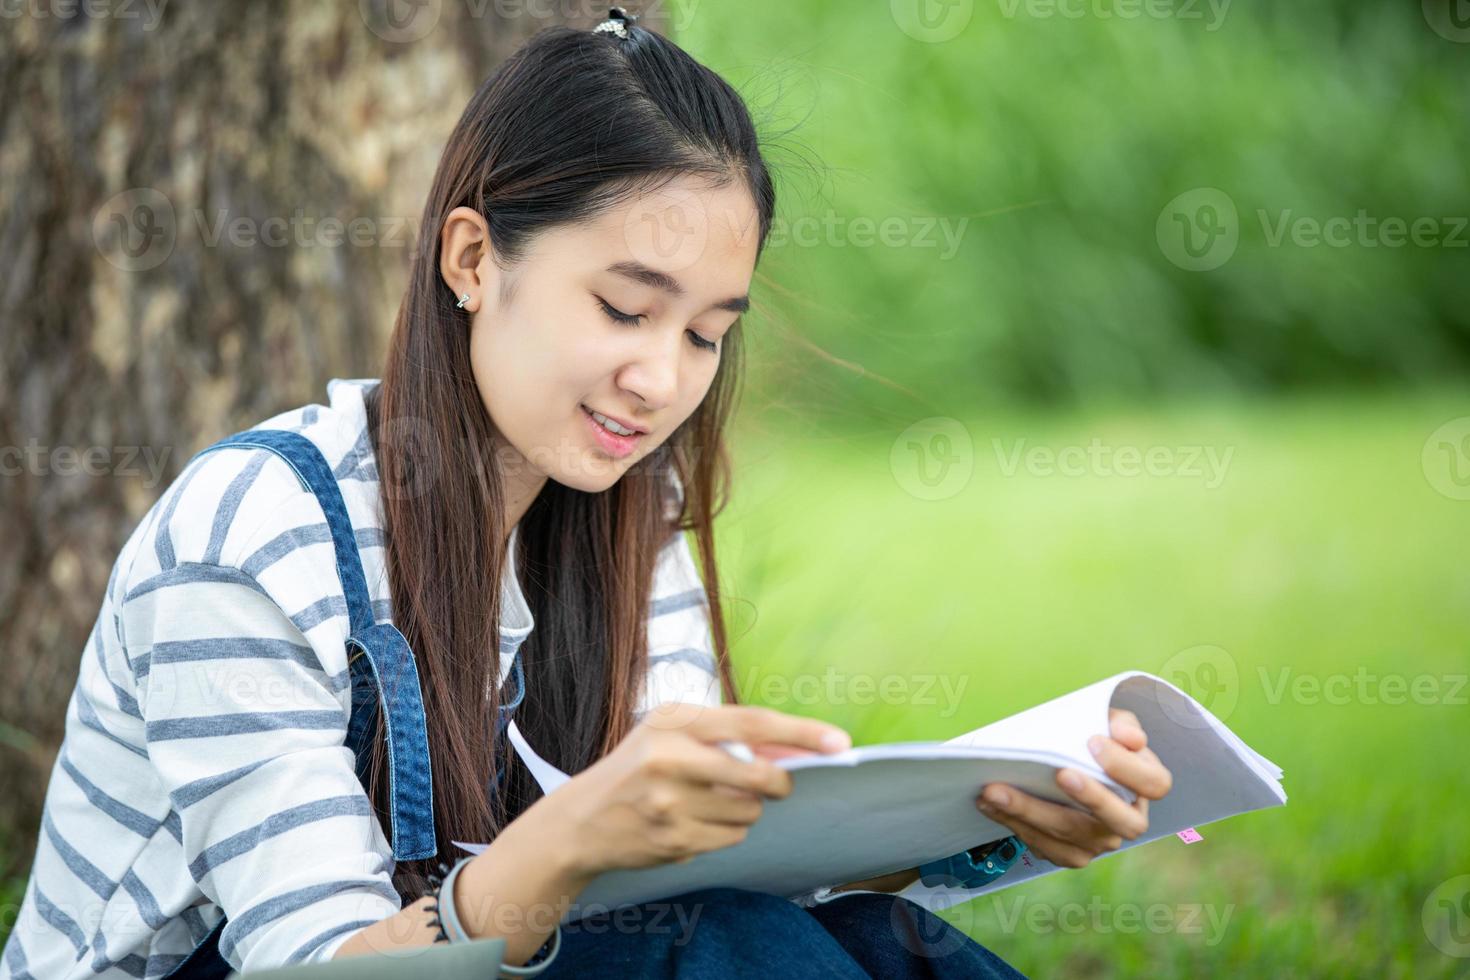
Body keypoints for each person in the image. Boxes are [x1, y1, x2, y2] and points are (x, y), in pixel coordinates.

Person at [1, 8, 1170, 978]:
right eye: (623, 307)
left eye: (707, 333)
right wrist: (561, 845)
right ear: (472, 259)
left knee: (877, 938)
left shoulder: (625, 508)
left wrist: (979, 827)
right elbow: (319, 966)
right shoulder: (253, 536)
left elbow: (723, 879)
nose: (662, 379)